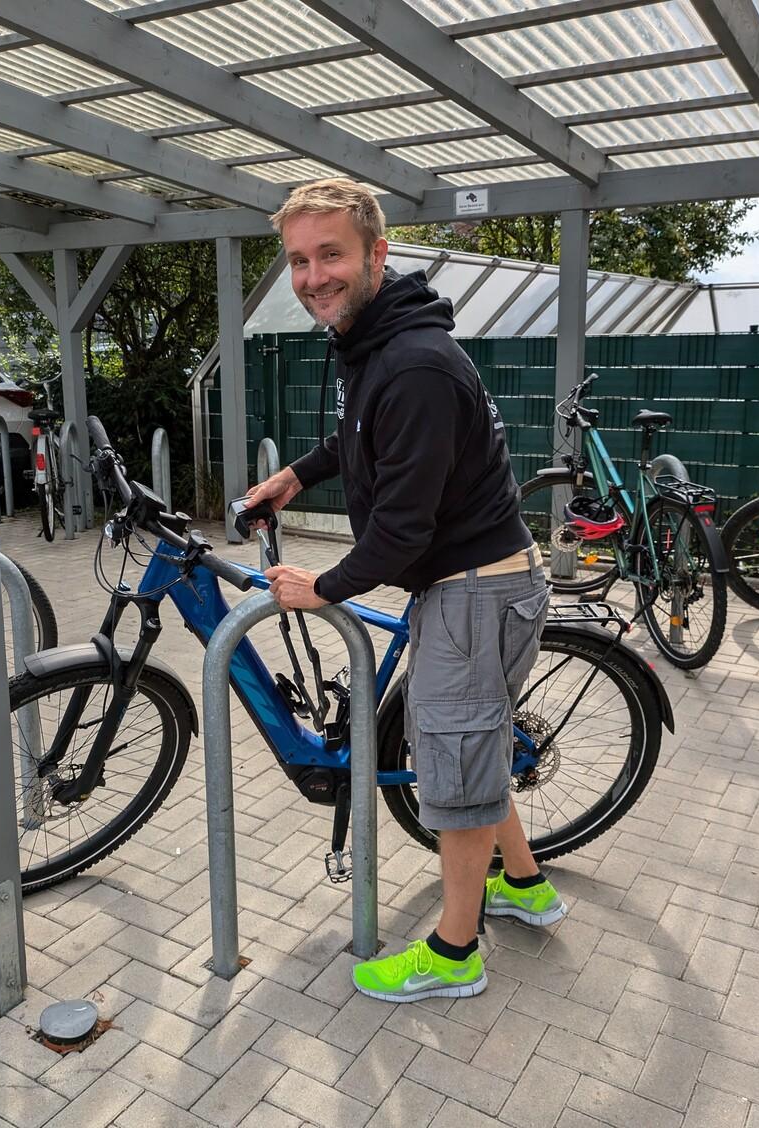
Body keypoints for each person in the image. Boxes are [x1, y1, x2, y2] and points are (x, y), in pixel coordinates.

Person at [245, 178, 566, 1003]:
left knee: (452, 769)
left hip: (473, 591)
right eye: (299, 260)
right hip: (473, 584)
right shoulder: (374, 341)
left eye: (331, 256)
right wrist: (297, 474)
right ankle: (525, 888)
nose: (313, 275)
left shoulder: (414, 362)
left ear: (376, 254)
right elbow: (359, 435)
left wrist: (323, 586)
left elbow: (401, 534)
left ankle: (456, 956)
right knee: (473, 744)